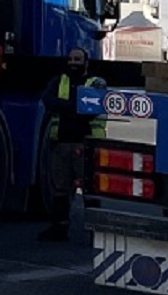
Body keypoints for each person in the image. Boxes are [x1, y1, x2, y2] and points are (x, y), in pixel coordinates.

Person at [39, 46, 104, 241]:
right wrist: (76, 106)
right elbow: (47, 100)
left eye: (77, 59)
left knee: (90, 190)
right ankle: (59, 229)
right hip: (61, 144)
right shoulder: (58, 81)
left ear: (86, 62)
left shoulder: (96, 83)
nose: (73, 63)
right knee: (60, 189)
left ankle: (95, 232)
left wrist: (65, 106)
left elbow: (93, 108)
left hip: (85, 145)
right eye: (71, 59)